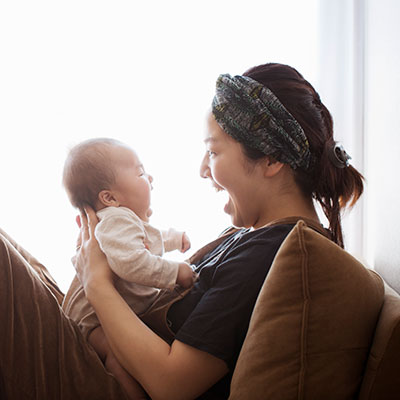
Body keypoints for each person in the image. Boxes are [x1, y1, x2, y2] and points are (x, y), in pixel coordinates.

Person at [0, 62, 364, 399]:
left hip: (115, 381)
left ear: (270, 159)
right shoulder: (253, 239)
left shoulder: (273, 253)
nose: (204, 170)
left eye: (214, 153)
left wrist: (96, 284)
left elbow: (171, 383)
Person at [62, 138, 196, 399]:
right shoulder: (114, 221)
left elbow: (149, 238)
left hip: (101, 313)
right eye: (140, 172)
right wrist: (174, 272)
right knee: (117, 355)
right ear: (109, 198)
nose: (150, 177)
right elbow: (132, 263)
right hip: (89, 323)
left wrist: (175, 238)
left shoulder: (121, 221)